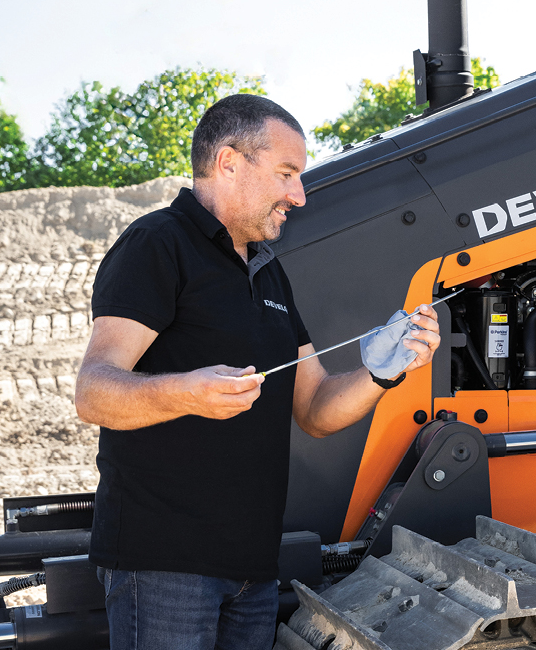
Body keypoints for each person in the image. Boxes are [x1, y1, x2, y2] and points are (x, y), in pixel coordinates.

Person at [73, 94, 441, 650]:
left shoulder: (268, 273)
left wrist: (384, 371)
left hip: (252, 568)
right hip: (164, 566)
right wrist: (186, 392)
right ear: (228, 162)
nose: (299, 194)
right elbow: (94, 392)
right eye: (287, 174)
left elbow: (315, 410)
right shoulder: (157, 244)